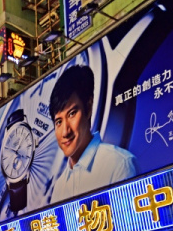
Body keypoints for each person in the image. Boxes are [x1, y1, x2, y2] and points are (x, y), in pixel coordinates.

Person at [47, 65, 139, 205]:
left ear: (88, 108)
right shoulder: (58, 188)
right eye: (58, 121)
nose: (65, 132)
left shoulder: (119, 165)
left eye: (72, 114)